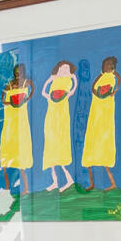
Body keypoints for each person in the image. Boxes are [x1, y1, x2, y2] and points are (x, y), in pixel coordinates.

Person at [83, 55, 121, 190]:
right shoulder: (100, 76)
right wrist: (96, 93)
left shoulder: (114, 76)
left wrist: (114, 90)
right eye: (106, 64)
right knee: (91, 145)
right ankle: (92, 183)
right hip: (95, 113)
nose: (107, 66)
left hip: (105, 115)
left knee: (104, 146)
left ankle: (112, 183)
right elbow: (94, 86)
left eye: (110, 64)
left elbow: (118, 80)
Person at [40, 60, 78, 192]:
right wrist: (47, 93)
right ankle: (55, 182)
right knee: (50, 148)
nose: (64, 70)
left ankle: (69, 180)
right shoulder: (55, 80)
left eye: (67, 68)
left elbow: (72, 89)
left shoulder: (69, 80)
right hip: (50, 116)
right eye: (62, 68)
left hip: (61, 118)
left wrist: (72, 79)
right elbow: (43, 91)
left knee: (60, 148)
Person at [0, 62, 35, 194]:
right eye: (16, 71)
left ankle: (25, 187)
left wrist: (26, 99)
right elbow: (3, 100)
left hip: (21, 121)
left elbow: (32, 89)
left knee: (21, 153)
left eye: (20, 71)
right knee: (7, 149)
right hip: (9, 121)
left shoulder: (27, 82)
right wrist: (11, 102)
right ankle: (7, 185)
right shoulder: (9, 85)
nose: (18, 73)